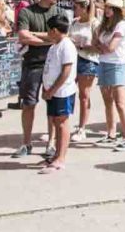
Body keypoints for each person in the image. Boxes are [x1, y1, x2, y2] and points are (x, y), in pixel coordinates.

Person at [11, 0, 61, 160]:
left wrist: (36, 35)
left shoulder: (60, 12)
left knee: (53, 106)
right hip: (32, 64)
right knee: (28, 104)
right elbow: (23, 36)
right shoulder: (27, 12)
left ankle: (51, 144)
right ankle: (26, 143)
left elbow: (63, 36)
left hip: (53, 66)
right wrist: (50, 38)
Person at [94, 0, 125, 151]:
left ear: (117, 10)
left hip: (117, 64)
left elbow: (110, 47)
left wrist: (101, 45)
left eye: (111, 8)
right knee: (108, 101)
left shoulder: (121, 25)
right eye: (106, 7)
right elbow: (96, 43)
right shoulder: (105, 25)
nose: (107, 10)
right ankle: (111, 133)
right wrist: (102, 45)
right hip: (104, 63)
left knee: (121, 103)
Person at [39, 15, 77, 174]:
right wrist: (46, 88)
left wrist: (53, 90)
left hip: (62, 92)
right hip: (52, 92)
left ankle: (61, 158)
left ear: (54, 30)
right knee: (55, 121)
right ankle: (56, 154)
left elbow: (66, 72)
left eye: (49, 30)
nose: (48, 33)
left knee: (62, 123)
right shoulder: (55, 45)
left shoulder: (66, 46)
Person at [68, 0, 100, 142]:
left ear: (83, 8)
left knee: (84, 95)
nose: (74, 9)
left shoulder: (94, 24)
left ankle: (82, 127)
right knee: (67, 92)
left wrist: (81, 45)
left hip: (88, 60)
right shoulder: (74, 22)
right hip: (72, 58)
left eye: (76, 7)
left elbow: (98, 46)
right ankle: (64, 125)